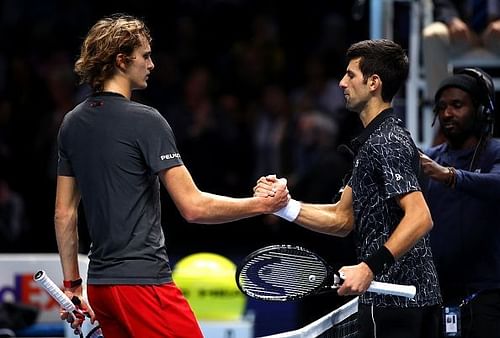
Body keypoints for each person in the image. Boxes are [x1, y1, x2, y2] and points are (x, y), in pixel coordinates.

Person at [54, 13, 289, 338]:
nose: (152, 64)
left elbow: (64, 213)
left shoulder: (71, 123)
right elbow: (193, 207)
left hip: (100, 288)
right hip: (143, 285)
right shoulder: (146, 120)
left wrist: (72, 286)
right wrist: (263, 205)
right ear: (122, 60)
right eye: (146, 56)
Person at [255, 39, 442, 338]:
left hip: (401, 303)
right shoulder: (373, 142)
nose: (342, 83)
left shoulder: (386, 141)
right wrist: (284, 206)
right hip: (391, 302)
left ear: (373, 83)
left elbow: (420, 217)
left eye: (350, 75)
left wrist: (368, 267)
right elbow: (342, 220)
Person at [420, 67, 500, 337]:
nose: (447, 114)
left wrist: (451, 176)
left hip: (487, 294)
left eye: (457, 105)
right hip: (437, 295)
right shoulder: (430, 159)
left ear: (480, 111)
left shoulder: (495, 152)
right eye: (441, 107)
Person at [422, 0, 500, 103]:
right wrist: (451, 19)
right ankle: (440, 106)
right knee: (432, 34)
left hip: (496, 35)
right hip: (460, 30)